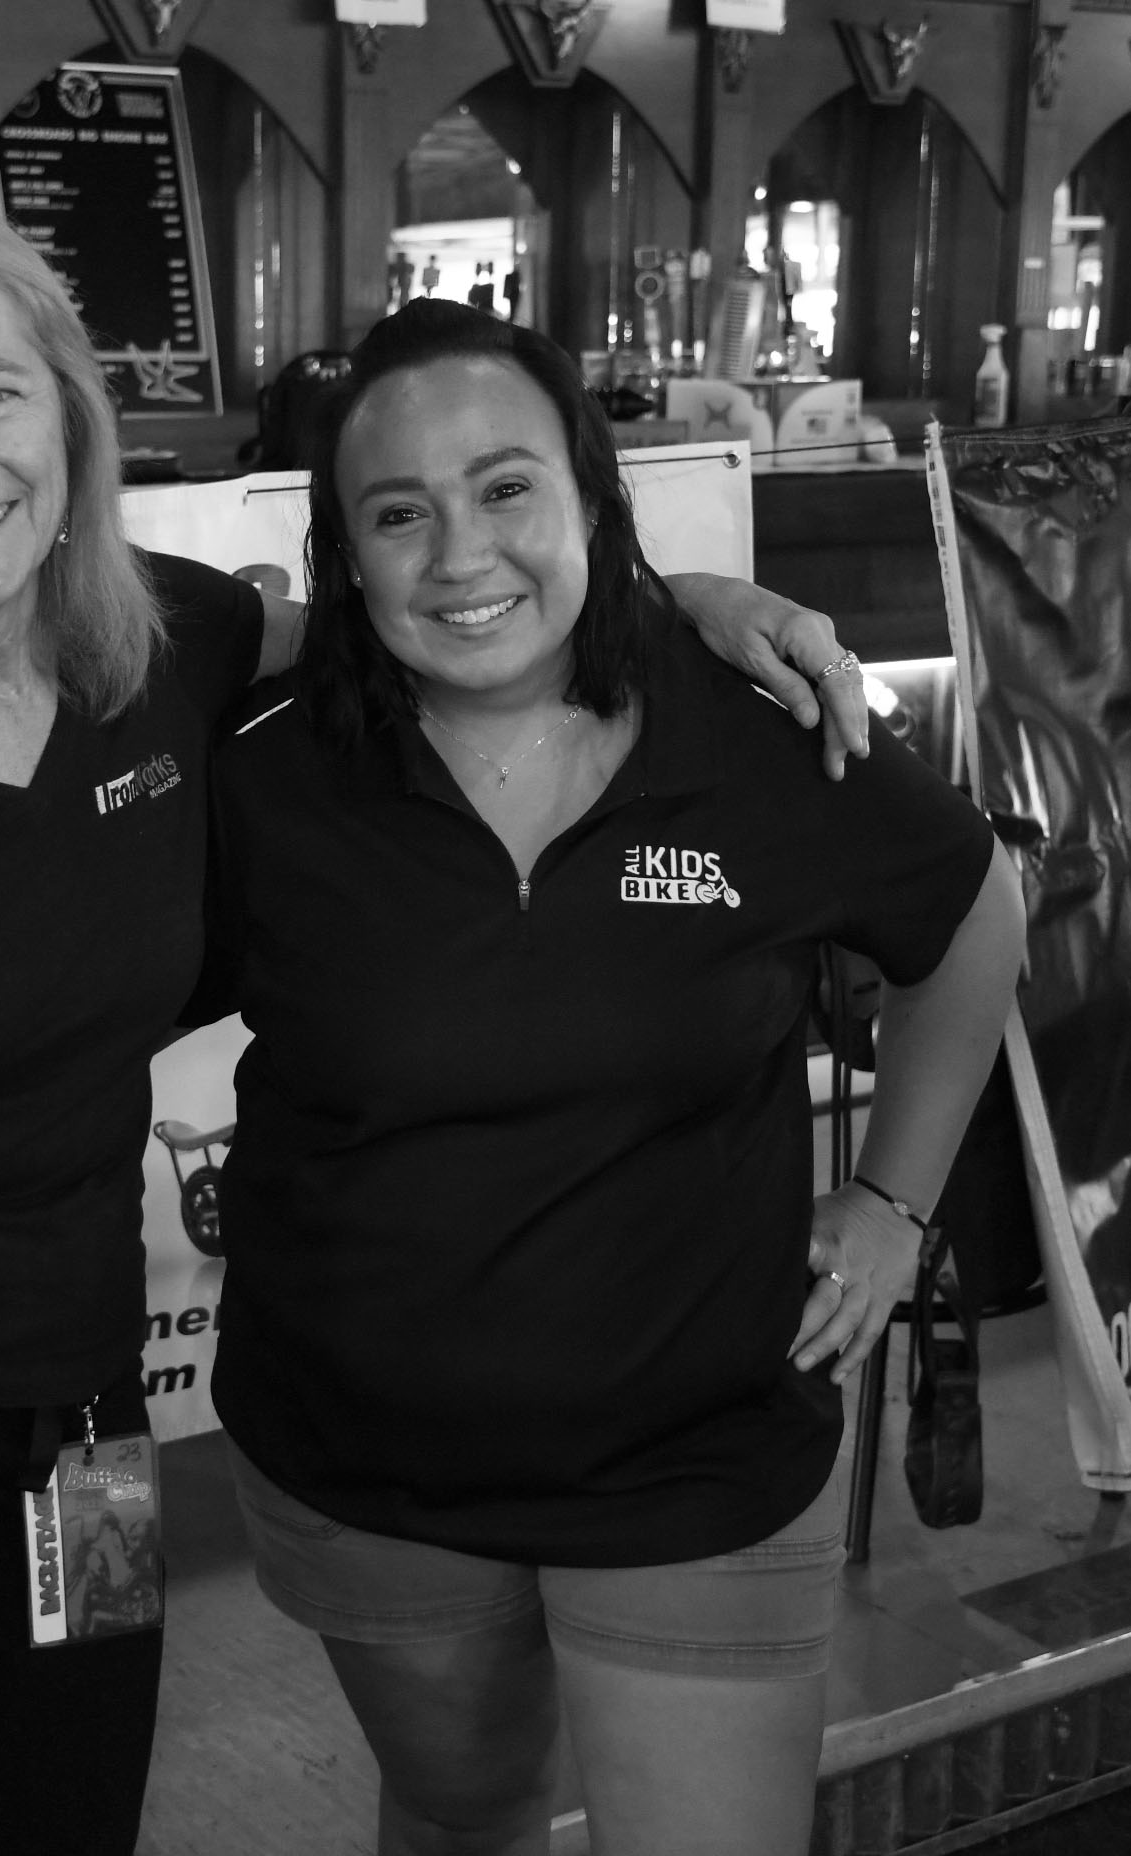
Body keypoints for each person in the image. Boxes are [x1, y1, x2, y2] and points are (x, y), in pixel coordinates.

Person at [0, 184, 871, 1856]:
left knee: (74, 1808)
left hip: (87, 1420)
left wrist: (679, 597)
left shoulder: (165, 638)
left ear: (66, 414)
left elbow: (448, 619)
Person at [193, 298, 1028, 1856]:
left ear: (589, 496)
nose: (461, 554)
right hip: (366, 1463)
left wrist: (890, 1203)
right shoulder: (267, 773)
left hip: (697, 1449)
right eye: (397, 513)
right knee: (459, 1821)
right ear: (345, 555)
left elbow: (971, 909)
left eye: (505, 488)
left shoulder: (761, 731)